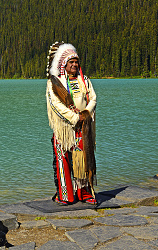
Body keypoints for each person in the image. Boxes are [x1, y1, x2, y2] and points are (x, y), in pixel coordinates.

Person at [46, 42, 97, 205]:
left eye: (76, 62)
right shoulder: (54, 83)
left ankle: (84, 192)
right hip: (64, 129)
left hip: (83, 128)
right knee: (63, 160)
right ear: (64, 64)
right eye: (71, 62)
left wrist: (86, 113)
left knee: (83, 159)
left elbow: (93, 98)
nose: (74, 65)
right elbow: (55, 105)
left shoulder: (84, 80)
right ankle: (65, 194)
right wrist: (75, 118)